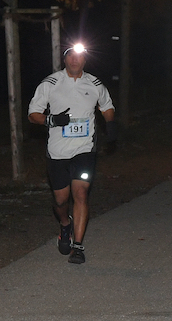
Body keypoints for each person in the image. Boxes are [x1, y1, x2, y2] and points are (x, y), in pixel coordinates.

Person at [27, 42, 116, 264]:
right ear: (65, 59)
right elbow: (32, 114)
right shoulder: (50, 83)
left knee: (81, 194)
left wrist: (111, 127)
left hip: (84, 149)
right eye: (70, 56)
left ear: (85, 60)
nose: (75, 60)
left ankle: (78, 246)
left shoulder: (94, 83)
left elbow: (107, 107)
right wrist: (51, 120)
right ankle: (65, 225)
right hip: (57, 152)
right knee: (61, 201)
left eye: (79, 56)